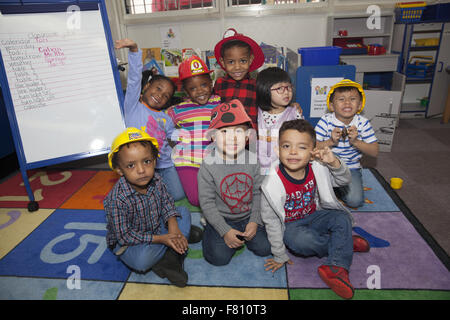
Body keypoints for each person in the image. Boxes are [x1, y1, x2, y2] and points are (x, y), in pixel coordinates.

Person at [260, 119, 370, 299]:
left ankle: (336, 265)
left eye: (302, 147)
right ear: (277, 150)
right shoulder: (271, 183)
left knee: (341, 218)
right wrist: (279, 254)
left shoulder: (317, 166)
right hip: (291, 226)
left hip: (315, 214)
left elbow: (344, 181)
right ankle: (343, 244)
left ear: (312, 153)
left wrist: (334, 162)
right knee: (300, 242)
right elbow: (271, 221)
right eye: (286, 146)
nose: (293, 152)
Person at [103, 127, 190, 287]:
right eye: (130, 165)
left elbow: (167, 202)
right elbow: (125, 236)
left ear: (155, 161)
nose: (142, 170)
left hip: (157, 228)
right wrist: (164, 238)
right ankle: (175, 247)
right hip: (133, 242)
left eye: (147, 161)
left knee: (183, 211)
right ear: (119, 170)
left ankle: (173, 247)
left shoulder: (156, 178)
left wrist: (172, 226)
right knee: (141, 262)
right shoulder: (117, 199)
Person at [197, 99, 271, 266]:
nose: (232, 138)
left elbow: (259, 193)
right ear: (213, 137)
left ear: (247, 137)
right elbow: (206, 203)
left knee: (266, 248)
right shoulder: (208, 165)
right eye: (224, 132)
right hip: (222, 217)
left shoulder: (253, 160)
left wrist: (255, 220)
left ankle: (244, 231)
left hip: (248, 216)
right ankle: (209, 227)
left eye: (238, 131)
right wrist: (225, 231)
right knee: (218, 258)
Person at [115, 38, 186, 203]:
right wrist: (134, 50)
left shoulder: (165, 117)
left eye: (166, 95)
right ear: (146, 87)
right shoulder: (133, 106)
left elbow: (173, 135)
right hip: (140, 164)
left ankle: (157, 197)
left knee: (178, 195)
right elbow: (133, 79)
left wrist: (191, 136)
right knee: (139, 197)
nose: (160, 95)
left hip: (164, 163)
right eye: (158, 88)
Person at [167, 55, 221, 207]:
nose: (200, 91)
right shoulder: (177, 110)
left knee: (224, 194)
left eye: (204, 85)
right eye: (193, 88)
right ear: (185, 91)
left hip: (214, 160)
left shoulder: (219, 102)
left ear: (211, 84)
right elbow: (160, 122)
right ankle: (209, 213)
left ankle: (212, 214)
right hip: (187, 161)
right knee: (195, 199)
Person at [315, 79, 379, 208]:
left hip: (350, 167)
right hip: (326, 165)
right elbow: (313, 146)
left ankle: (338, 190)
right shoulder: (325, 120)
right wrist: (331, 141)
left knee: (355, 201)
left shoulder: (363, 123)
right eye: (341, 99)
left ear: (360, 105)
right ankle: (335, 189)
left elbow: (374, 151)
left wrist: (356, 141)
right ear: (332, 106)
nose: (347, 102)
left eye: (353, 99)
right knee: (312, 196)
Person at [213, 28, 265, 129]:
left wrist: (290, 106)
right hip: (225, 138)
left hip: (249, 139)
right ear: (223, 62)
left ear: (250, 60)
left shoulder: (256, 85)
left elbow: (271, 103)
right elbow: (209, 105)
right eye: (231, 62)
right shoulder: (219, 84)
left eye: (243, 61)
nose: (237, 67)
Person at [256, 67, 304, 175]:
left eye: (288, 87)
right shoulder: (256, 113)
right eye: (280, 88)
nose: (286, 92)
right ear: (265, 90)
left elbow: (303, 139)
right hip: (258, 171)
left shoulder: (294, 114)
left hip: (284, 171)